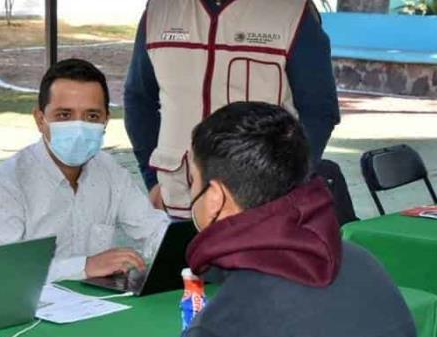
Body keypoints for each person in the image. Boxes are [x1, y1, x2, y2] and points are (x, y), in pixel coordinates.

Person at [172, 102, 417, 337]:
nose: (189, 191)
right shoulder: (365, 265)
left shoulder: (222, 334)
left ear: (215, 197)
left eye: (192, 178)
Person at [124, 0, 340, 218]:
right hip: (178, 199)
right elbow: (139, 100)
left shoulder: (292, 11)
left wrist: (287, 186)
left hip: (260, 204)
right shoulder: (161, 10)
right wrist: (152, 179)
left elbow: (318, 111)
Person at [0, 59, 170, 283]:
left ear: (106, 120)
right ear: (40, 120)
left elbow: (154, 229)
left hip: (100, 306)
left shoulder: (110, 172)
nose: (79, 128)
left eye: (92, 116)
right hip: (32, 313)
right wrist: (85, 266)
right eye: (64, 115)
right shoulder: (8, 183)